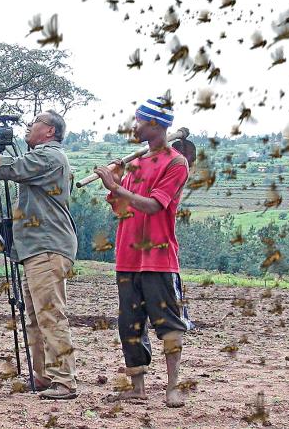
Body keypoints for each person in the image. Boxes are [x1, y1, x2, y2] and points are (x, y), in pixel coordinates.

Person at [0, 110, 79, 400]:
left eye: (36, 123)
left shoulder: (50, 156)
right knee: (34, 316)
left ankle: (64, 381)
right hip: (35, 247)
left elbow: (4, 167)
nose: (29, 127)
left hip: (47, 246)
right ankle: (43, 377)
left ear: (50, 131)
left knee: (50, 314)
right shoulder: (44, 157)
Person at [94, 97, 190, 408]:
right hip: (128, 256)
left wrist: (118, 186)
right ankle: (138, 387)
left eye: (138, 121)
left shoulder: (176, 163)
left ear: (154, 125)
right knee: (130, 324)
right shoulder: (135, 163)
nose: (134, 127)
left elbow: (153, 205)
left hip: (159, 258)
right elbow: (123, 210)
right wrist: (117, 183)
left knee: (170, 324)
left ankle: (173, 387)